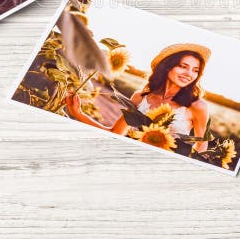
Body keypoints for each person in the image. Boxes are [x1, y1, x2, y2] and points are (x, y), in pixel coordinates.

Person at [65, 43, 211, 156]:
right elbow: (116, 133)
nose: (189, 73)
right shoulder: (140, 97)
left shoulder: (197, 106)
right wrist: (79, 114)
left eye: (195, 70)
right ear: (167, 67)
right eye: (183, 66)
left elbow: (201, 148)